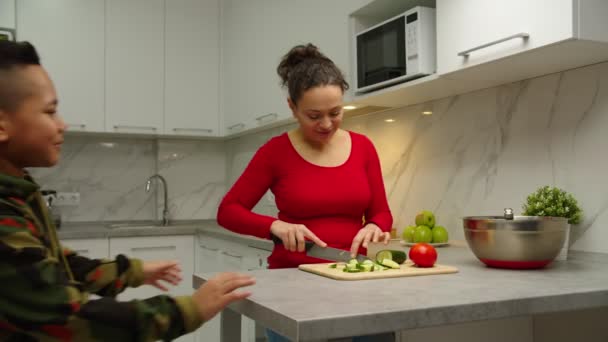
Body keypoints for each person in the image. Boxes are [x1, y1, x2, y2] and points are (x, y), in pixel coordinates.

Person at [0, 40, 255, 341]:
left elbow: (57, 265)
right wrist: (188, 309)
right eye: (50, 111)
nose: (62, 124)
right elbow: (70, 319)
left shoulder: (19, 193)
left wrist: (132, 271)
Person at [217, 43, 394, 341]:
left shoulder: (363, 147)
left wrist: (377, 225)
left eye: (335, 113)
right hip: (293, 287)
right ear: (292, 108)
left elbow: (381, 211)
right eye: (314, 116)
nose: (327, 124)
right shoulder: (274, 153)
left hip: (359, 281)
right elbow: (228, 211)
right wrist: (274, 226)